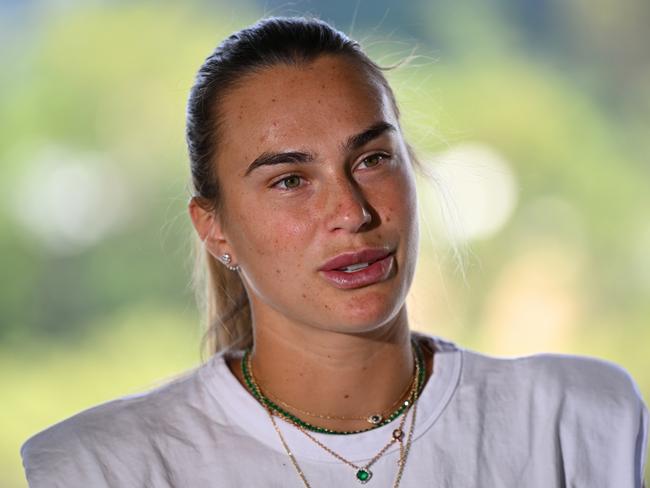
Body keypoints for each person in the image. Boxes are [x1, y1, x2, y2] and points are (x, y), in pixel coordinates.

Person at [21, 16, 648, 487]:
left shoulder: (579, 422)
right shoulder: (103, 468)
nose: (352, 213)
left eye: (372, 160)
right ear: (214, 228)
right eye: (290, 180)